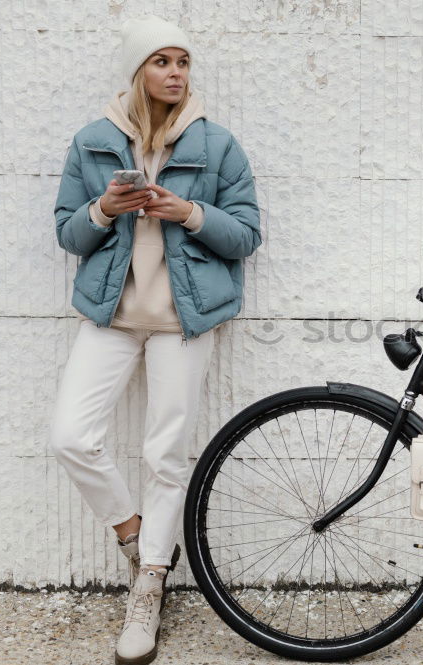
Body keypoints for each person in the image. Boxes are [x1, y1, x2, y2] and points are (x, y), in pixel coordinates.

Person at [49, 15, 261, 665]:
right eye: (161, 62)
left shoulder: (218, 145)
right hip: (112, 314)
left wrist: (188, 212)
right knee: (70, 435)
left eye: (184, 62)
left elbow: (247, 235)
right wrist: (103, 211)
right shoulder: (93, 143)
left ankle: (150, 580)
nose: (175, 73)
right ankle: (134, 533)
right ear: (137, 70)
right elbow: (67, 232)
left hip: (185, 318)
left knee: (164, 452)